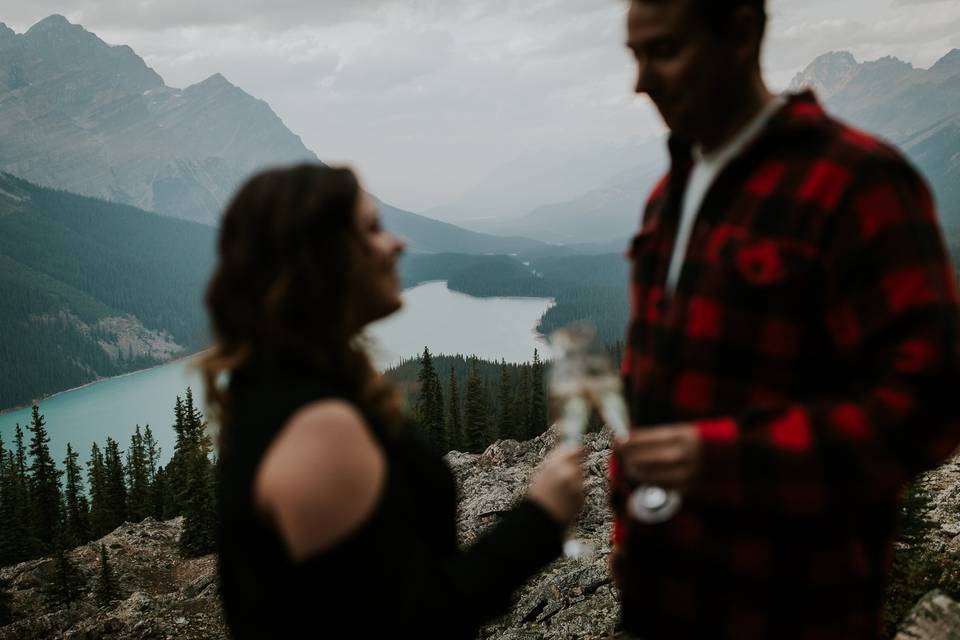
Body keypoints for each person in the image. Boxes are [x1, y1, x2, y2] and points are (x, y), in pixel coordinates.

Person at [609, 0, 960, 638]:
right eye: (635, 56)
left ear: (741, 33)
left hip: (790, 606)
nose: (641, 82)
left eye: (662, 52)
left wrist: (721, 459)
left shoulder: (859, 182)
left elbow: (931, 405)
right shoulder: (670, 197)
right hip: (665, 600)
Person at [203, 164, 584, 639]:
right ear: (321, 258)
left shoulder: (274, 393)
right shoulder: (318, 428)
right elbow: (412, 623)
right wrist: (540, 519)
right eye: (372, 229)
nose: (397, 244)